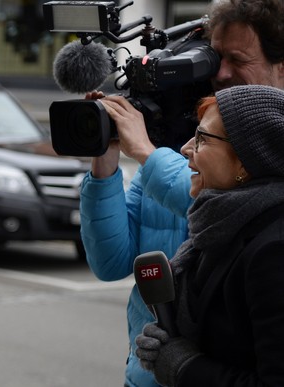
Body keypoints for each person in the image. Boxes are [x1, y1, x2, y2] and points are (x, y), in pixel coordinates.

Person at [79, 0, 284, 385]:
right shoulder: (179, 139)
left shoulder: (169, 158)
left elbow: (211, 202)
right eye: (214, 56)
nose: (220, 73)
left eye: (237, 59)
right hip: (147, 374)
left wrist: (144, 151)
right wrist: (104, 160)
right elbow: (110, 262)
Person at [135, 84, 284, 386]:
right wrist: (169, 337)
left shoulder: (274, 250)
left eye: (202, 138)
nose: (186, 148)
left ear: (245, 160)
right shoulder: (220, 225)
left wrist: (184, 367)